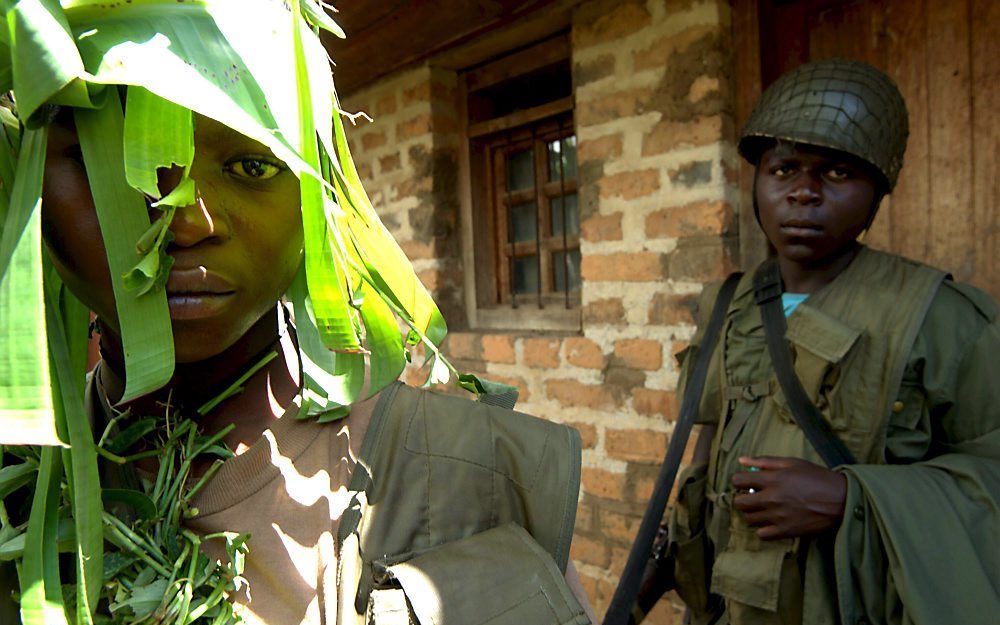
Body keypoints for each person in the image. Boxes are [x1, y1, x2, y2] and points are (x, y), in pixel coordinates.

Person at [0, 3, 596, 624]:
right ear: (24, 175)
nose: (188, 222)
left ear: (321, 190)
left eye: (253, 165)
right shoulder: (16, 495)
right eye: (117, 159)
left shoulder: (467, 489)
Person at [666, 59, 1000, 625]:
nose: (804, 193)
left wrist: (854, 501)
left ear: (877, 191)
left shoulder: (945, 320)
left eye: (838, 173)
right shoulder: (728, 304)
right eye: (783, 169)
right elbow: (705, 445)